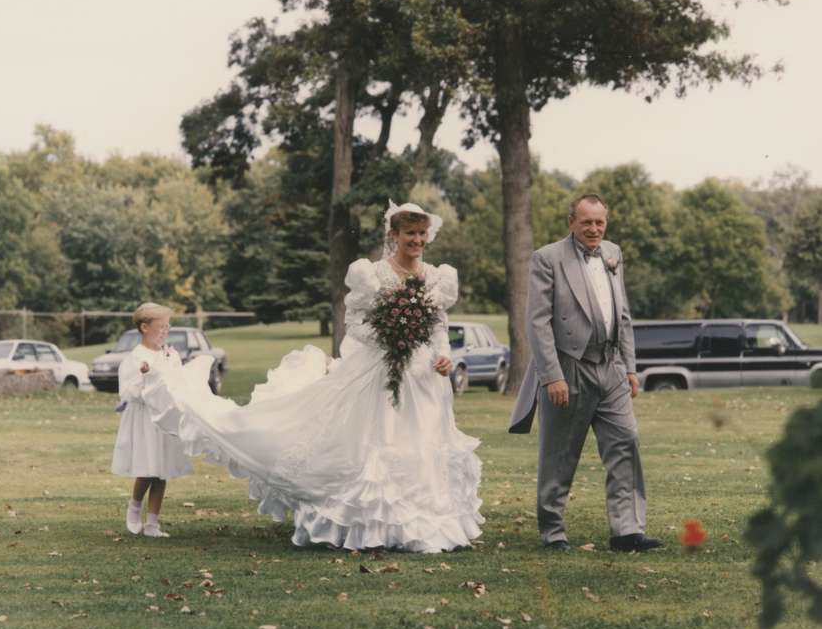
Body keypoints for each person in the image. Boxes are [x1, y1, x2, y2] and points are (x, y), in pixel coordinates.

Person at [143, 201, 484, 552]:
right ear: (393, 235)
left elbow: (439, 328)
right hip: (381, 371)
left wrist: (443, 356)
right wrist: (392, 338)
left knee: (423, 446)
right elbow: (354, 324)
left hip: (423, 379)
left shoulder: (438, 278)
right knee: (376, 445)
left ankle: (426, 527)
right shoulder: (372, 274)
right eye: (410, 233)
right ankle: (368, 528)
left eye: (422, 234)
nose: (417, 240)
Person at [508, 194, 662, 553]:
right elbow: (538, 322)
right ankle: (553, 532)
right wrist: (552, 375)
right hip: (568, 367)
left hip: (611, 367)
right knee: (559, 453)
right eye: (586, 222)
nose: (594, 229)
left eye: (599, 222)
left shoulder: (613, 253)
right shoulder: (547, 258)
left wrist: (631, 367)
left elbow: (622, 315)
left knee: (626, 442)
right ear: (571, 222)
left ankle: (627, 531)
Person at [111, 302, 192, 538]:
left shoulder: (170, 354)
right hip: (146, 419)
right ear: (145, 327)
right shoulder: (135, 358)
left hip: (166, 417)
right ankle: (135, 507)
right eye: (161, 327)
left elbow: (177, 381)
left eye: (168, 327)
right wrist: (146, 377)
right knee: (148, 467)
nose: (165, 332)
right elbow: (129, 392)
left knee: (162, 469)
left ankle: (153, 523)